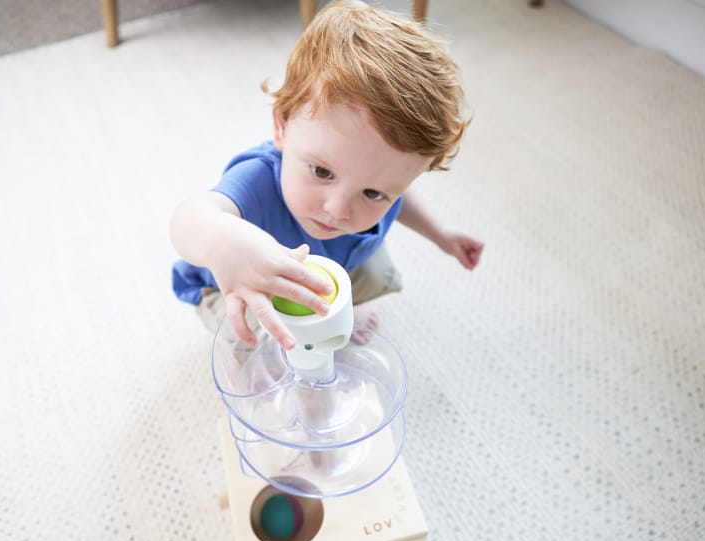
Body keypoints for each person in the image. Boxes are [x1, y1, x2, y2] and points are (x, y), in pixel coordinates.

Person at [170, 0, 484, 351]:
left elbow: (400, 196)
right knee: (256, 339)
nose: (336, 210)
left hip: (334, 257)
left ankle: (343, 307)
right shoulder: (257, 181)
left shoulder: (379, 179)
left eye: (373, 193)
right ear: (282, 126)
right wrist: (222, 243)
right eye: (322, 172)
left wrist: (441, 235)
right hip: (237, 282)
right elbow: (190, 216)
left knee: (376, 272)